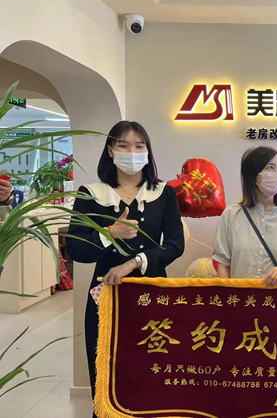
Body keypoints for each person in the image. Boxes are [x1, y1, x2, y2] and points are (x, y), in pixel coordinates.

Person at [66, 121, 184, 413]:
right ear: (110, 151)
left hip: (152, 296)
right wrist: (110, 234)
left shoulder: (164, 194)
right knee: (106, 374)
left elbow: (175, 245)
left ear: (148, 152)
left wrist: (134, 262)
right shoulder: (90, 194)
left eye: (139, 146)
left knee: (151, 370)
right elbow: (76, 249)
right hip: (105, 298)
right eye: (123, 145)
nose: (132, 152)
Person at [213, 146, 277, 286]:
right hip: (242, 296)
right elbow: (223, 265)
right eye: (270, 167)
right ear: (253, 174)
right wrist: (226, 296)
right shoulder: (231, 215)